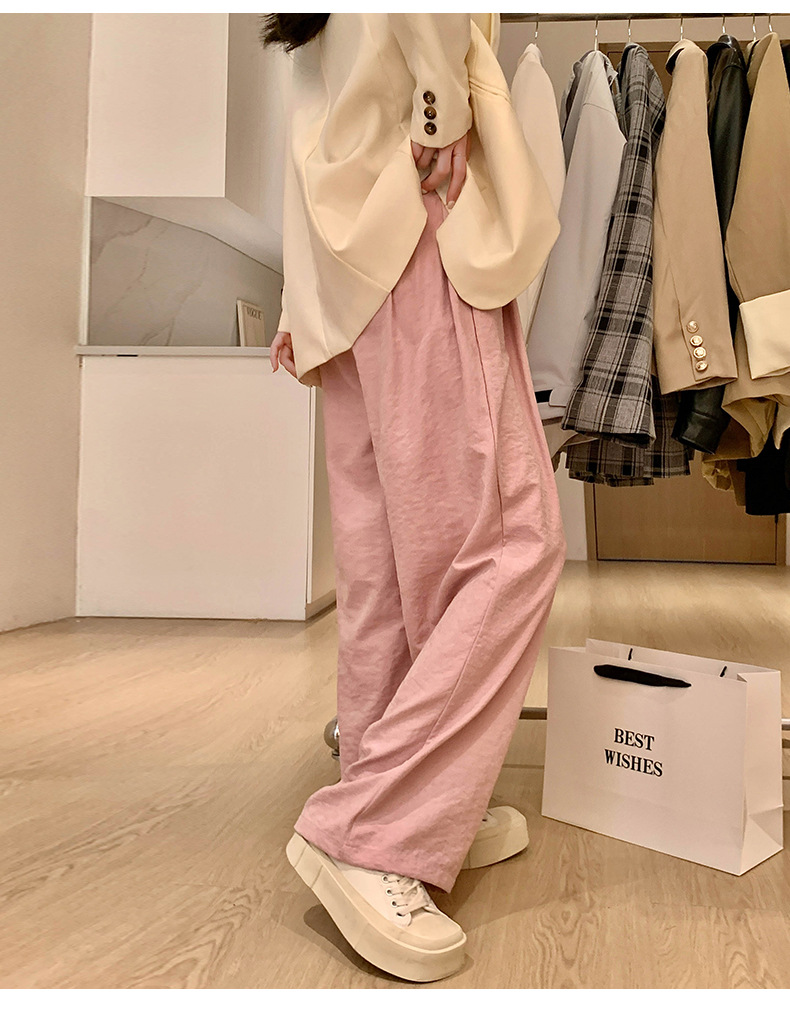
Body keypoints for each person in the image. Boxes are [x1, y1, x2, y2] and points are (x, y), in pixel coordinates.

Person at [262, 13, 567, 983]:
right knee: (512, 543)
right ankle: (377, 831)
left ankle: (416, 809)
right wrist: (443, 115)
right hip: (416, 215)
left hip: (347, 256)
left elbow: (317, 99)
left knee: (390, 574)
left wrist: (301, 296)